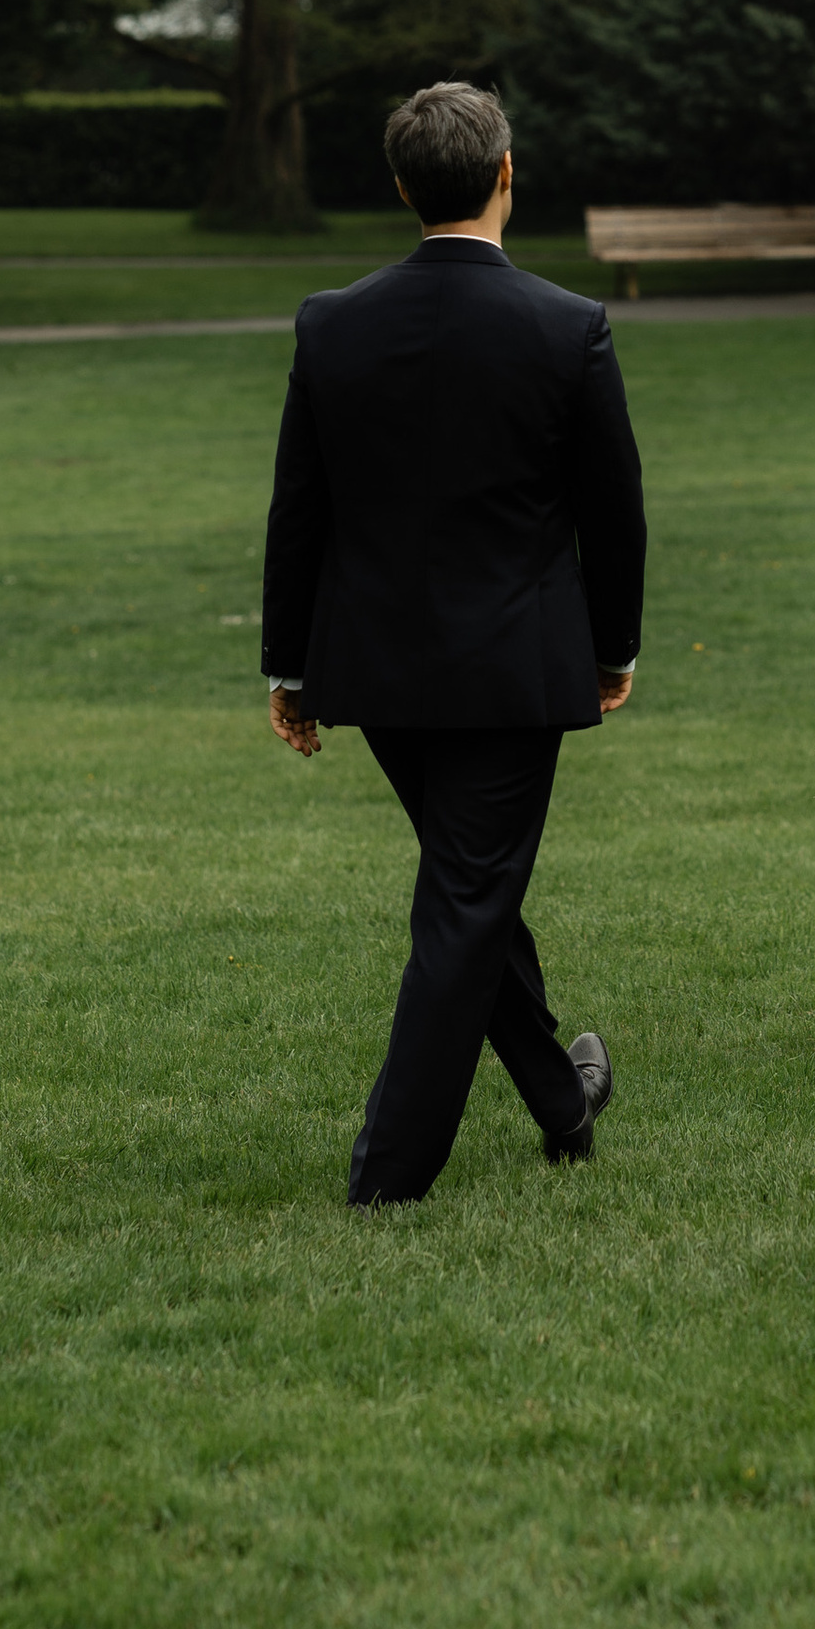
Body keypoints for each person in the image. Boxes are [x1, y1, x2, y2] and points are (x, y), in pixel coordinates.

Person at [259, 80, 645, 1204]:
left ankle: (563, 1100)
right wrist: (612, 647)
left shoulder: (332, 321)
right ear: (507, 174)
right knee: (467, 901)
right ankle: (389, 1174)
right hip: (515, 670)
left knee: (470, 885)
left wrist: (290, 666)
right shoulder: (567, 325)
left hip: (377, 670)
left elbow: (301, 506)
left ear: (398, 187)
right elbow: (610, 510)